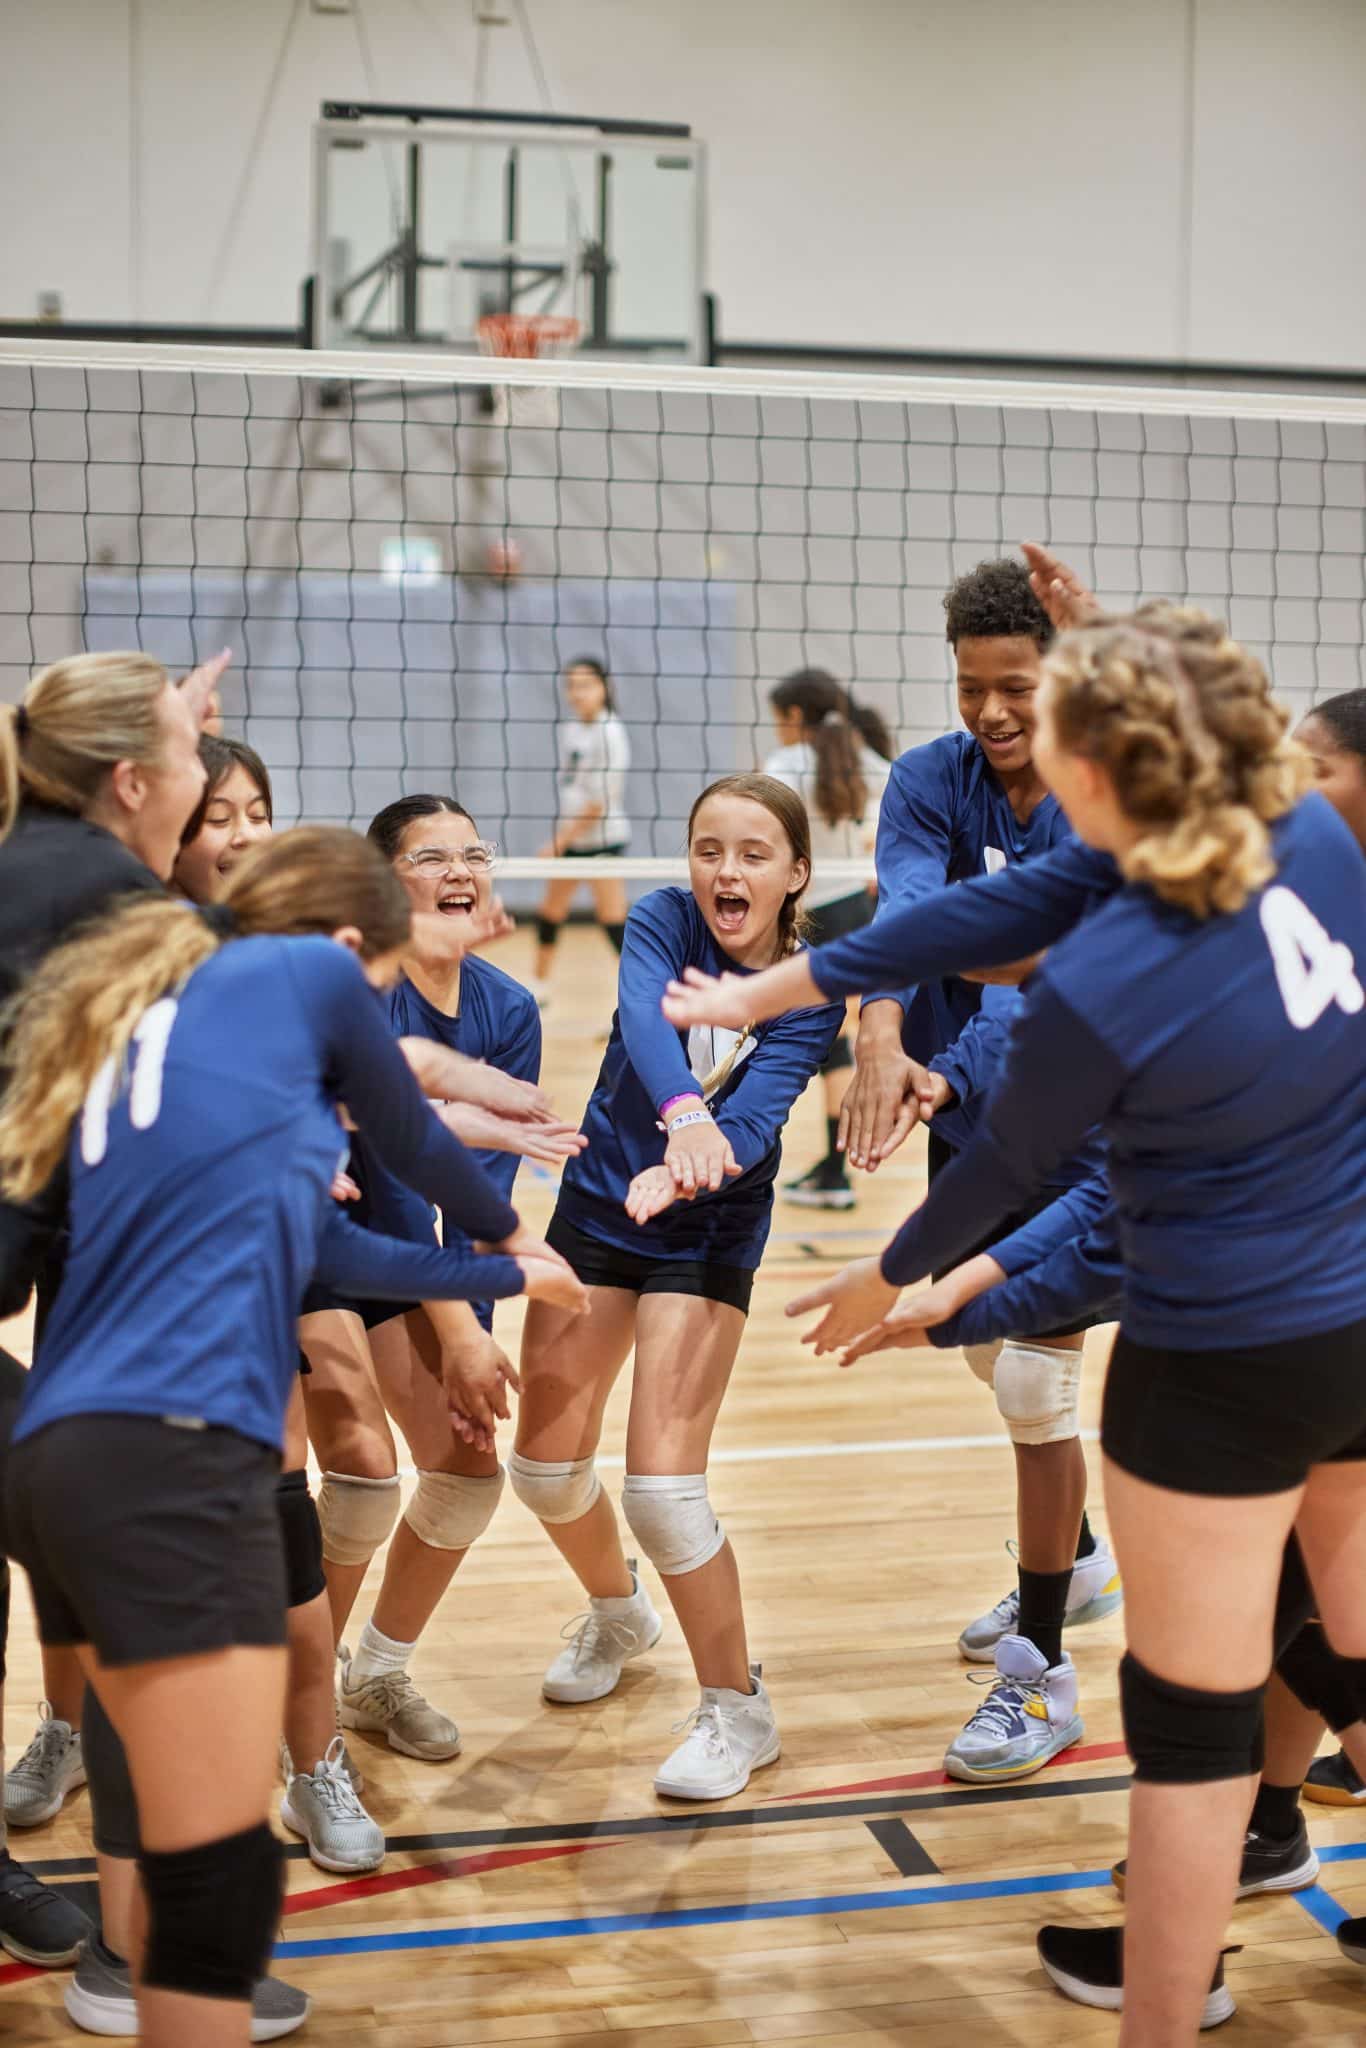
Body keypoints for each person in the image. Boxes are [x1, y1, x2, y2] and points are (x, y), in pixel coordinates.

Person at [666, 607, 1366, 2042]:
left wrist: (896, 1282)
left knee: (1186, 1732)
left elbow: (992, 1175)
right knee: (1352, 1652)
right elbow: (975, 916)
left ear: (1099, 774)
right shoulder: (1308, 843)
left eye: (1047, 732)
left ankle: (1163, 2012)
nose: (1019, 752)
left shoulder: (1104, 989)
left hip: (1216, 1369)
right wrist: (772, 989)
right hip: (1357, 1332)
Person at [0, 825, 586, 2048]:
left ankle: (120, 1964)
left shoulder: (148, 1029)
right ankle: (134, 1973)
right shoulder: (312, 979)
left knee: (178, 1828)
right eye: (377, 988)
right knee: (217, 1887)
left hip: (59, 1458)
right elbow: (412, 1143)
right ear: (340, 947)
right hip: (172, 1458)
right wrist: (499, 1236)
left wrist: (492, 1267)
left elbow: (316, 1245)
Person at [790, 564, 1121, 1779]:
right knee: (986, 1343)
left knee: (1035, 1389)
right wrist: (879, 1029)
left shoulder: (1103, 793)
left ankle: (1040, 1674)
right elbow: (913, 916)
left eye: (1016, 687)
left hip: (1083, 1108)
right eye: (971, 685)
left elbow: (1043, 966)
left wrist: (936, 1038)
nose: (990, 710)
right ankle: (1072, 1558)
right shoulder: (932, 776)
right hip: (962, 1096)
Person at [510, 773, 843, 1798]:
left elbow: (755, 1128)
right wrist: (678, 1115)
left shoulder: (809, 985)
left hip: (704, 1224)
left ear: (795, 873)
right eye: (707, 847)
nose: (724, 869)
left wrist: (696, 1150)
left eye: (751, 852)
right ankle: (620, 1612)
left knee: (662, 1488)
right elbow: (643, 1023)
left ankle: (738, 1707)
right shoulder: (660, 918)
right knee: (542, 1469)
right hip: (601, 1206)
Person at [0, 650, 229, 1983]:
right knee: (141, 1578)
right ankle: (150, 1971)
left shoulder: (51, 863)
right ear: (134, 782)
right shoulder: (113, 907)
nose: (209, 779)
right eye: (191, 757)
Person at [302, 793, 584, 1763]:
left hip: (409, 1250)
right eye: (432, 856)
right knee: (362, 1476)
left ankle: (372, 1676)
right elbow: (387, 1182)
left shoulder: (504, 1007)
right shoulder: (359, 989)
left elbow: (481, 1191)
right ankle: (297, 1698)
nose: (461, 870)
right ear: (387, 885)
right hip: (312, 1235)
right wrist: (459, 1333)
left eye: (474, 853)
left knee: (465, 1477)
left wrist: (475, 1330)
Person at [169, 734, 389, 1880]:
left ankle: (314, 1758)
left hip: (276, 1238)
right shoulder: (134, 944)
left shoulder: (292, 940)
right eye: (220, 812)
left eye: (258, 808)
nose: (245, 830)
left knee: (287, 1475)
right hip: (144, 1258)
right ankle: (106, 1739)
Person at [763, 668, 893, 1210]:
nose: (776, 730)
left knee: (827, 1042)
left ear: (794, 717)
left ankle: (837, 1170)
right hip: (858, 911)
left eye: (777, 720)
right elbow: (891, 813)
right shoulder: (867, 761)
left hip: (810, 913)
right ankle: (836, 1166)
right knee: (843, 1039)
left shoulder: (785, 767)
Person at [532, 657, 631, 1001]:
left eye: (585, 685)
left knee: (612, 921)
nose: (577, 693)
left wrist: (559, 841)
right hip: (572, 837)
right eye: (571, 685)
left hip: (602, 840)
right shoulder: (571, 728)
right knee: (550, 912)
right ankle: (539, 989)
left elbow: (599, 802)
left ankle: (633, 997)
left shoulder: (611, 732)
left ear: (604, 687)